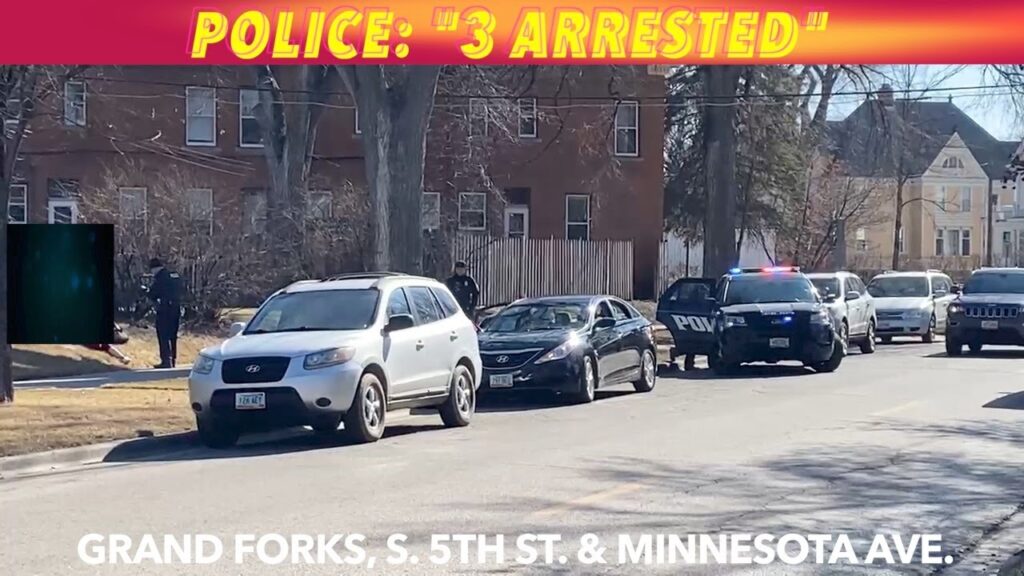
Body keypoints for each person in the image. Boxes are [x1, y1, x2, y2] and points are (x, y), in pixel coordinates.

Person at [147, 258, 182, 369]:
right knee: (173, 335)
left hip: (165, 309)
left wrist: (146, 292)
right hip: (176, 308)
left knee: (163, 335)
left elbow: (153, 294)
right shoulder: (174, 275)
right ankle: (173, 359)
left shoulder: (160, 277)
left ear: (154, 268)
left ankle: (166, 360)